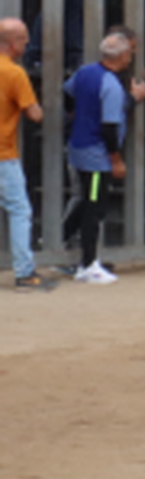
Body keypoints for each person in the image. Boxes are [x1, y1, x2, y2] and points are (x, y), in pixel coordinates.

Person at [62, 32, 143, 284]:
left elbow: (67, 93)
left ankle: (59, 242)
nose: (130, 57)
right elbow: (110, 127)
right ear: (121, 56)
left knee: (86, 201)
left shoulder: (85, 72)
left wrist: (79, 114)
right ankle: (88, 264)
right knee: (94, 208)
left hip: (78, 145)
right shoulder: (111, 85)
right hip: (96, 155)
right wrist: (116, 159)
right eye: (129, 53)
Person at [0, 19, 54, 291]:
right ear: (12, 43)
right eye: (23, 39)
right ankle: (24, 273)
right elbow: (34, 113)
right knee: (20, 211)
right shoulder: (14, 73)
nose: (27, 44)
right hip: (3, 154)